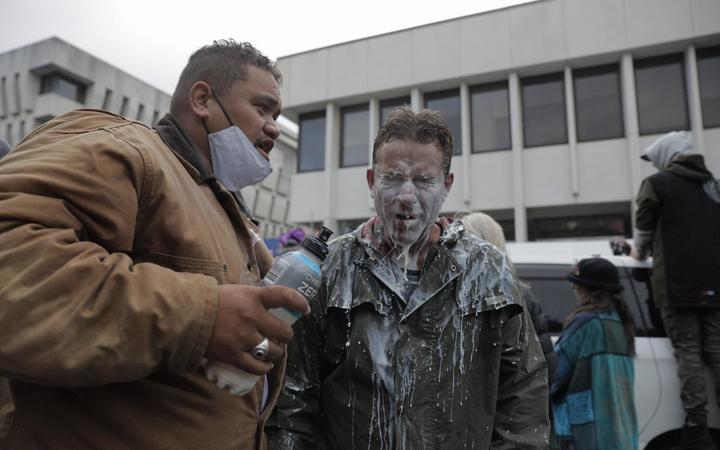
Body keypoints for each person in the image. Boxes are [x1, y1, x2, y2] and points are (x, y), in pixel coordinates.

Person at [0, 40, 309, 450]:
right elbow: (14, 266)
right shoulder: (127, 150)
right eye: (262, 108)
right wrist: (202, 315)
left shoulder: (222, 201)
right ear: (202, 99)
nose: (273, 126)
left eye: (278, 114)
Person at [267, 107, 549, 449]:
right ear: (372, 182)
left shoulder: (487, 270)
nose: (406, 196)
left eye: (423, 180)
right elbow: (294, 401)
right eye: (393, 178)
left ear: (446, 186)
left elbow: (522, 398)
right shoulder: (331, 269)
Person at [632, 130, 720, 450]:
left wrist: (636, 255)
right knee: (716, 348)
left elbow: (642, 230)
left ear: (666, 156)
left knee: (688, 352)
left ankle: (696, 425)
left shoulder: (658, 185)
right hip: (715, 283)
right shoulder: (712, 185)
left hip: (676, 284)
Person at [551, 258, 638, 450]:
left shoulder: (585, 324)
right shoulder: (624, 323)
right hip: (620, 432)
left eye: (576, 284)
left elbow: (554, 378)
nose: (573, 287)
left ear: (588, 289)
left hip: (585, 436)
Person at [459, 211, 554, 361]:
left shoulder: (518, 296)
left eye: (465, 241)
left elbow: (542, 360)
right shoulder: (452, 291)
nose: (458, 249)